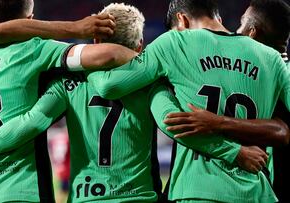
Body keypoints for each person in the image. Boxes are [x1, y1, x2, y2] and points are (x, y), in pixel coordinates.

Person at [0, 2, 276, 202]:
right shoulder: (153, 84)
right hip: (141, 198)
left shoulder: (68, 83)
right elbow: (175, 125)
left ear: (94, 41)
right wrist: (234, 151)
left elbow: (30, 122)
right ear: (138, 44)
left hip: (85, 199)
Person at [81, 0, 290, 201]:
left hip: (198, 189)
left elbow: (110, 86)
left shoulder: (175, 43)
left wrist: (85, 66)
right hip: (258, 192)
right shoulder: (272, 58)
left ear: (182, 20)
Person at [0, 0, 124, 201]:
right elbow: (105, 56)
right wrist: (146, 60)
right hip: (23, 189)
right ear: (30, 21)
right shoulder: (34, 50)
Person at [163, 0, 290, 201]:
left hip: (242, 182)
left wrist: (217, 122)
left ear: (252, 33)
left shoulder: (276, 74)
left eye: (241, 24)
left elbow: (283, 132)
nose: (234, 31)